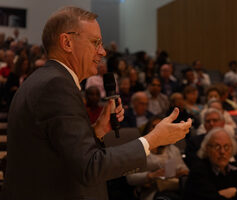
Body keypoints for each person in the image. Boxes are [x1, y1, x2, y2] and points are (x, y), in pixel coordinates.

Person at [2, 7, 192, 200]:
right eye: (95, 43)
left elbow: (57, 152)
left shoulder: (45, 80)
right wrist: (153, 140)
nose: (102, 51)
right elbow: (90, 167)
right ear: (67, 42)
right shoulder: (56, 85)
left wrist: (97, 131)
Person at [183, 127, 237, 200]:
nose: (222, 152)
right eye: (217, 146)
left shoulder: (235, 167)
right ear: (207, 149)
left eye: (226, 147)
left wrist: (236, 191)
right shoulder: (198, 171)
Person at [127, 116, 189, 200]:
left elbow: (185, 169)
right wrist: (151, 175)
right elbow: (130, 178)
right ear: (148, 130)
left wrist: (180, 173)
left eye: (161, 127)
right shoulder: (139, 150)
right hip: (151, 190)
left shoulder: (173, 149)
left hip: (174, 187)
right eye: (154, 127)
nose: (158, 129)